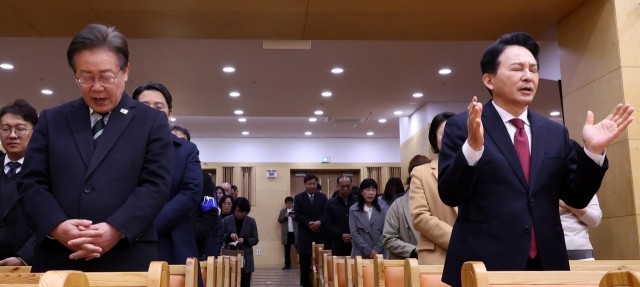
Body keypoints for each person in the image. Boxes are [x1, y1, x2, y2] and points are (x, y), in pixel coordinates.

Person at [438, 32, 634, 287]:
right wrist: (473, 148)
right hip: (484, 263)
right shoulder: (463, 127)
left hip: (547, 263)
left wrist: (593, 152)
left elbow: (575, 197)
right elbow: (450, 194)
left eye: (533, 69)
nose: (528, 76)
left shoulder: (554, 132)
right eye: (517, 69)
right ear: (489, 79)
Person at [18, 24, 173, 272]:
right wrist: (57, 227)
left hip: (127, 257)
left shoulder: (150, 122)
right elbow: (31, 182)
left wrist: (116, 229)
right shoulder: (52, 119)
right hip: (58, 258)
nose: (97, 87)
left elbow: (156, 185)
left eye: (105, 76)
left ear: (125, 72)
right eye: (86, 77)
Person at [132, 82, 203, 265]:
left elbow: (191, 192)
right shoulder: (118, 148)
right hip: (126, 241)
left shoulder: (186, 150)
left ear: (169, 114)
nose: (152, 111)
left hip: (173, 240)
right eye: (144, 106)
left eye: (159, 106)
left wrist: (148, 227)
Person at [409, 112, 458, 265]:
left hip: (477, 254)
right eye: (444, 134)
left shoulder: (479, 169)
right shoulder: (420, 173)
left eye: (456, 132)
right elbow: (420, 216)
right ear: (434, 139)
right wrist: (459, 240)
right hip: (437, 257)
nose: (451, 137)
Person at [170, 125, 221, 259]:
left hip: (194, 245)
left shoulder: (204, 179)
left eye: (182, 141)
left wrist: (191, 235)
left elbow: (210, 214)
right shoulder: (157, 174)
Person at [0, 100, 37, 266]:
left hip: (26, 266)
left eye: (20, 129)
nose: (12, 135)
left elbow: (52, 222)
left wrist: (23, 258)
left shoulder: (48, 172)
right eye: (6, 129)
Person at [560, 139, 602, 260]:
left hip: (582, 249)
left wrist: (569, 204)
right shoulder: (542, 185)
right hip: (550, 249)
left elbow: (595, 220)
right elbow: (538, 218)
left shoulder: (584, 188)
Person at [294, 174, 327, 287]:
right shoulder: (298, 197)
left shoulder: (323, 197)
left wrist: (319, 222)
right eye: (309, 184)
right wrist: (309, 223)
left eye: (314, 183)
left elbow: (326, 213)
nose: (312, 186)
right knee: (304, 266)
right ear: (304, 185)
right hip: (305, 235)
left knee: (321, 264)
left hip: (320, 234)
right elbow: (297, 214)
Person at [222, 197, 258, 287]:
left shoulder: (251, 221)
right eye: (237, 211)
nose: (240, 214)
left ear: (247, 211)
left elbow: (255, 239)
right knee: (230, 282)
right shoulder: (226, 220)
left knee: (245, 283)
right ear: (234, 209)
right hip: (230, 255)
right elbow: (220, 236)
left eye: (242, 212)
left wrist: (245, 240)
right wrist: (229, 235)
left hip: (246, 256)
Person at [349, 178, 386, 259]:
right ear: (361, 192)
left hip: (378, 253)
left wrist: (376, 250)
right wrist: (368, 251)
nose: (371, 193)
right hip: (359, 253)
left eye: (373, 190)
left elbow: (384, 232)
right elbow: (354, 233)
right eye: (367, 189)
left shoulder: (382, 210)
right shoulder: (353, 209)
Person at [321, 176, 358, 256]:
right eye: (342, 186)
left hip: (357, 244)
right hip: (338, 244)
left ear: (351, 185)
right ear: (337, 186)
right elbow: (327, 223)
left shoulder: (358, 201)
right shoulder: (330, 203)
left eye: (348, 186)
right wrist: (341, 235)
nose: (345, 189)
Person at [278, 197, 298, 270]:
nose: (289, 205)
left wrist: (294, 217)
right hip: (287, 233)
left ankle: (301, 264)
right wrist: (285, 216)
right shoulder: (283, 211)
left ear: (293, 203)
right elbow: (279, 220)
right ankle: (287, 265)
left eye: (290, 203)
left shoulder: (296, 210)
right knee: (287, 250)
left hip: (295, 233)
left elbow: (300, 219)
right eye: (287, 203)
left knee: (298, 248)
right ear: (285, 204)